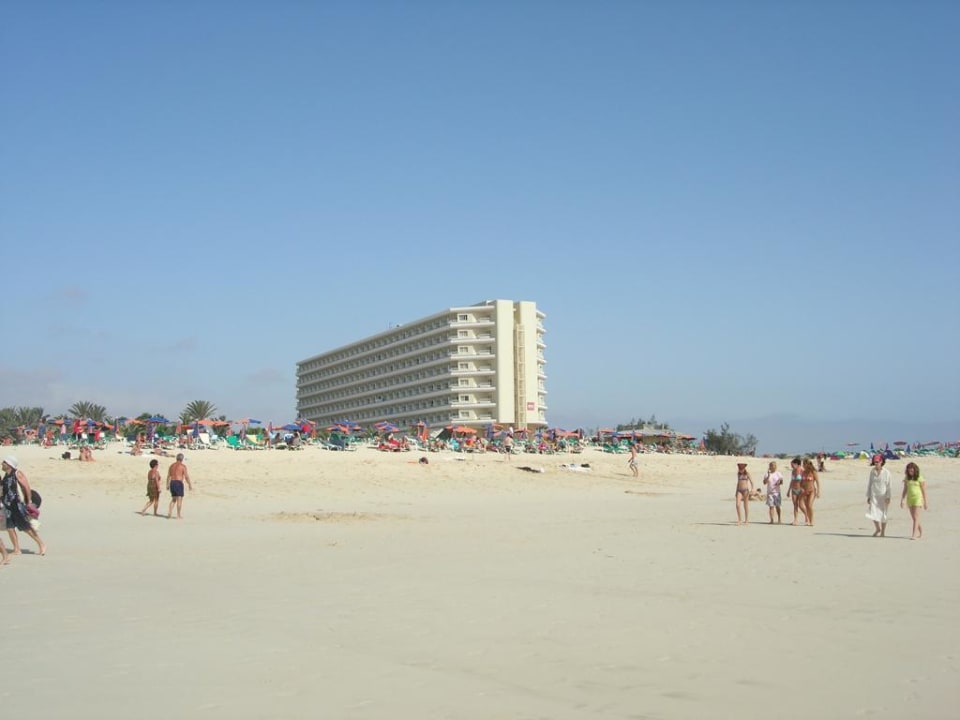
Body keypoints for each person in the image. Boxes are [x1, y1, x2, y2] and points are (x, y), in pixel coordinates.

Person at [1, 456, 46, 555]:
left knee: (25, 527)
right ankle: (17, 549)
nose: (2, 463)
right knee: (10, 528)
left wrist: (29, 501)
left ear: (9, 464)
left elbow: (26, 487)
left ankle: (41, 544)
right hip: (7, 505)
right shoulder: (6, 476)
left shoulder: (17, 473)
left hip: (16, 504)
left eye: (4, 462)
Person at [865, 453, 892, 537]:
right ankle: (878, 528)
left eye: (878, 461)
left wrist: (888, 497)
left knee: (883, 514)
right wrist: (869, 496)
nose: (876, 463)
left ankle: (883, 532)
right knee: (873, 513)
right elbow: (870, 484)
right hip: (874, 495)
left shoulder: (887, 472)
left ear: (882, 461)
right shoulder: (872, 472)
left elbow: (889, 485)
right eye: (875, 461)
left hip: (883, 496)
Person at [900, 461, 927, 540]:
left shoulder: (919, 477)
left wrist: (925, 502)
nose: (910, 471)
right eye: (909, 470)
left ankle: (914, 534)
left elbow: (923, 491)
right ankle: (921, 531)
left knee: (916, 517)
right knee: (914, 518)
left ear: (915, 470)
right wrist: (902, 500)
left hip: (917, 498)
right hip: (910, 499)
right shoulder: (906, 478)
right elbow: (905, 489)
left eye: (912, 470)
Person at [166, 453, 193, 519]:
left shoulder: (171, 465)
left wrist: (167, 484)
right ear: (182, 459)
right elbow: (186, 476)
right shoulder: (183, 466)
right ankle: (178, 515)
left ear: (176, 458)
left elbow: (168, 476)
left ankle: (169, 513)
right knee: (179, 499)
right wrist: (189, 484)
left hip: (172, 482)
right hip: (178, 483)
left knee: (173, 499)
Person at [800, 458, 821, 527]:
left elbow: (817, 482)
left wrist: (818, 491)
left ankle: (812, 521)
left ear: (807, 465)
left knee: (809, 505)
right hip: (804, 491)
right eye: (803, 464)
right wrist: (801, 488)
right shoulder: (803, 472)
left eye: (804, 464)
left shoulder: (813, 472)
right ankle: (808, 520)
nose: (803, 465)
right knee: (806, 506)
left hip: (812, 491)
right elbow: (801, 482)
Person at [787, 457, 806, 525]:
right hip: (794, 489)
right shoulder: (793, 471)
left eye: (792, 464)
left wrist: (803, 488)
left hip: (800, 489)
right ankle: (795, 520)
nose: (791, 466)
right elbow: (792, 481)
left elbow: (804, 480)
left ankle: (807, 517)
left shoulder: (802, 471)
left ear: (797, 464)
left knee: (801, 505)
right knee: (795, 505)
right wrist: (788, 490)